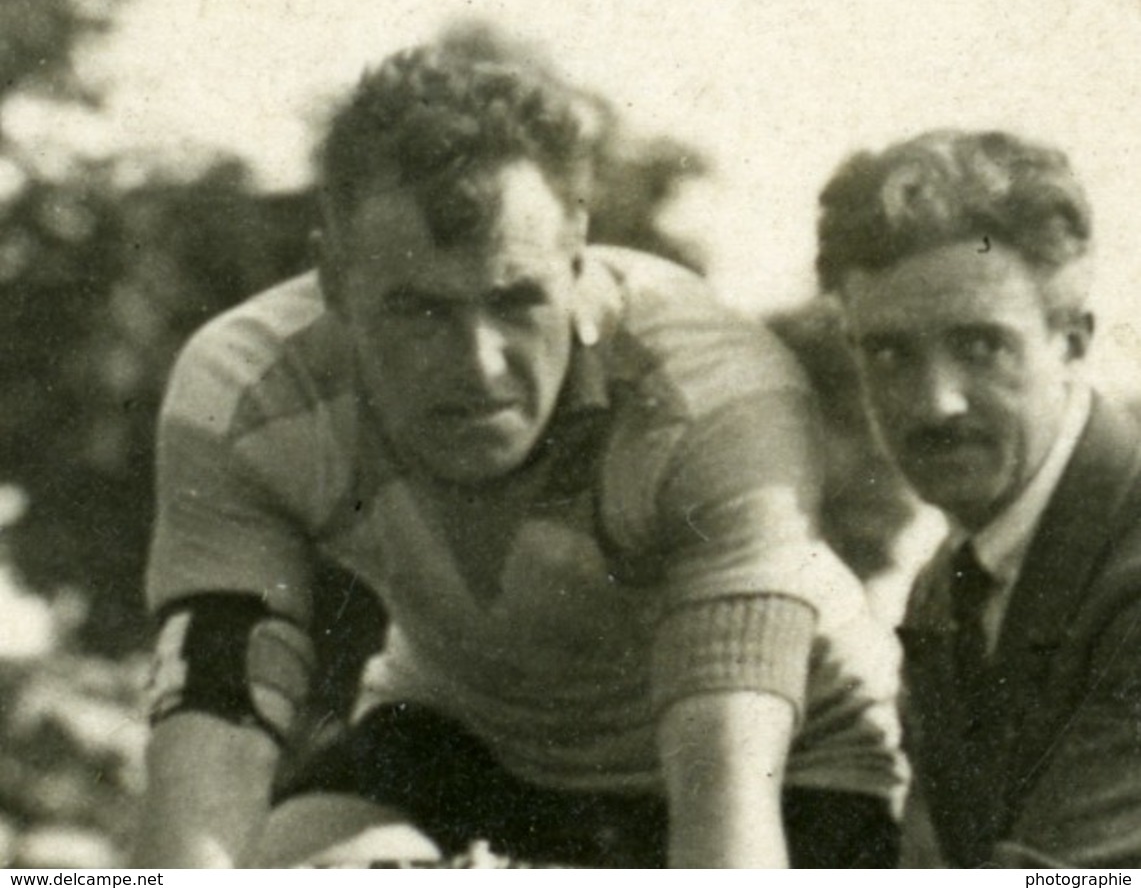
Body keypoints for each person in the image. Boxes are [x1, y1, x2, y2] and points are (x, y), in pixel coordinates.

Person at [133, 44, 902, 869]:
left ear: (575, 257)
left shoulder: (716, 393)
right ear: (333, 279)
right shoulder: (244, 387)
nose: (478, 365)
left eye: (515, 300)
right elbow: (215, 718)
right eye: (419, 310)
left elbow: (725, 794)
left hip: (784, 767)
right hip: (473, 738)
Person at [817, 129, 1141, 868]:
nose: (935, 403)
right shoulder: (946, 584)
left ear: (1071, 343)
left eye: (981, 346)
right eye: (889, 353)